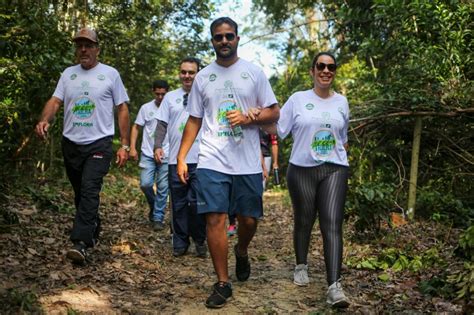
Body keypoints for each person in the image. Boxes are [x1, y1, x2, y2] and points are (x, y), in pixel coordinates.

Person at [176, 17, 280, 308]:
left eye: (229, 36)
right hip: (211, 158)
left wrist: (251, 117)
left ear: (237, 38)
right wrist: (182, 156)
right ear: (212, 41)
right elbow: (194, 119)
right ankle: (223, 282)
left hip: (246, 162)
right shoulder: (203, 77)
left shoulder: (253, 73)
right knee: (215, 218)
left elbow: (275, 113)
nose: (224, 41)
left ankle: (242, 250)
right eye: (218, 37)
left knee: (248, 220)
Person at [256, 52, 350, 308]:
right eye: (321, 66)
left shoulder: (342, 102)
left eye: (331, 66)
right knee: (304, 221)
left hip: (334, 169)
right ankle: (301, 265)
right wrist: (257, 119)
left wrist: (338, 156)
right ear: (312, 71)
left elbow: (343, 138)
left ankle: (334, 287)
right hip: (301, 170)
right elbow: (280, 130)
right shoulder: (298, 99)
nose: (326, 70)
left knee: (332, 225)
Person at [35, 28, 130, 265]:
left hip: (99, 143)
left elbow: (122, 108)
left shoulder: (110, 74)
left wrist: (125, 145)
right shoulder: (68, 74)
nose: (84, 50)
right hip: (71, 144)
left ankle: (81, 243)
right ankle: (92, 223)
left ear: (98, 48)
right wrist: (44, 119)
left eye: (88, 45)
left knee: (89, 189)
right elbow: (55, 101)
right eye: (80, 46)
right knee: (80, 192)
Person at [153, 58, 207, 258]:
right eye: (183, 72)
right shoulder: (170, 98)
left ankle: (200, 238)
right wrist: (158, 146)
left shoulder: (205, 95)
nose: (187, 76)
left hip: (202, 159)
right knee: (178, 203)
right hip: (176, 160)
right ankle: (180, 241)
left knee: (198, 202)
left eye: (191, 72)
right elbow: (161, 124)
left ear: (198, 74)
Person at [130, 80, 170, 231]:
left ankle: (158, 218)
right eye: (157, 94)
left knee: (163, 187)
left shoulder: (172, 107)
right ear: (153, 92)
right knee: (145, 184)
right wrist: (132, 148)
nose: (160, 97)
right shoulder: (146, 108)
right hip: (147, 152)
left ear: (167, 92)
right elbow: (136, 127)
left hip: (167, 152)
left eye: (163, 94)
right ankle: (154, 206)